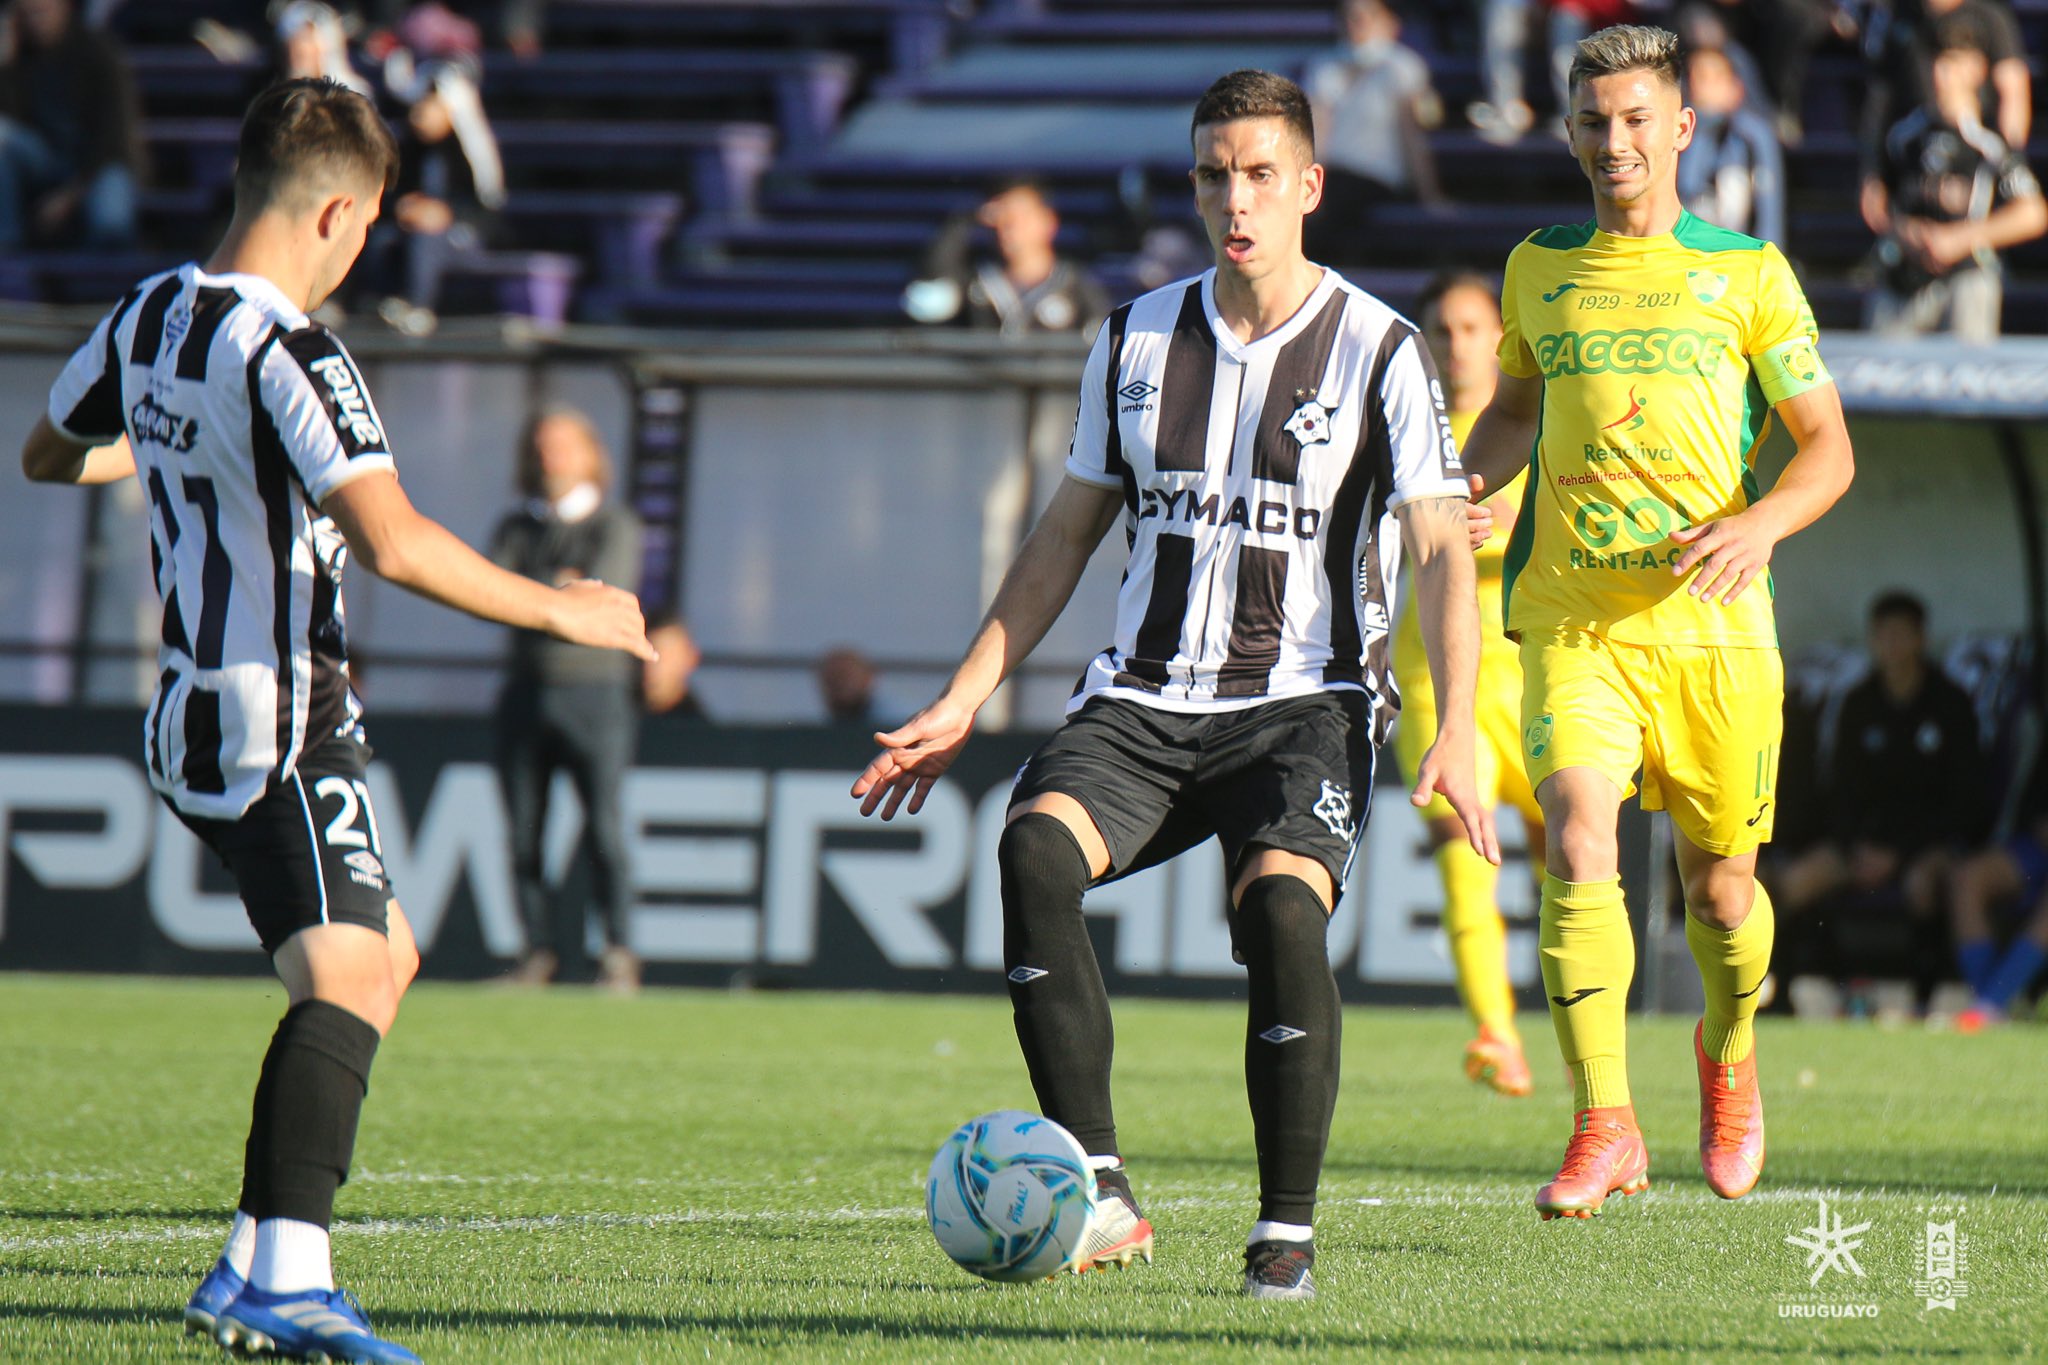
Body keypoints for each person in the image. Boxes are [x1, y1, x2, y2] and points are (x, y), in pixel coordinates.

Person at [20, 77, 650, 1362]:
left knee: (387, 957)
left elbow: (46, 453)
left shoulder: (148, 317)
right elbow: (395, 540)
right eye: (366, 231)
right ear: (340, 212)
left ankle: (249, 1261)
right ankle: (287, 1282)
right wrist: (563, 609)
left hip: (191, 714)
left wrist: (175, 444)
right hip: (280, 719)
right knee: (349, 978)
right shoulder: (290, 348)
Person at [854, 68, 1496, 1300]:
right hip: (1145, 698)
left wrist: (1457, 725)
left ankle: (1285, 1237)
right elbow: (1061, 537)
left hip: (1305, 701)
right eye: (1213, 174)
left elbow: (1433, 550)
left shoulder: (1382, 349)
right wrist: (963, 695)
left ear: (1307, 186)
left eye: (1258, 174)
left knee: (1278, 914)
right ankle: (1097, 1191)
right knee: (1032, 851)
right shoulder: (1134, 335)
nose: (1233, 199)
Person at [1459, 24, 1854, 1220]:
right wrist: (1464, 483)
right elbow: (1512, 416)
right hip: (1577, 619)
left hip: (1714, 629)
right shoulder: (1536, 267)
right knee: (1576, 836)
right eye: (1591, 120)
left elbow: (1827, 449)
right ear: (1568, 131)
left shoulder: (1748, 273)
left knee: (1720, 894)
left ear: (1680, 127)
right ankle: (1603, 1125)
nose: (1611, 141)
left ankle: (1728, 1061)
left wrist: (1759, 526)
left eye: (1635, 118)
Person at [1394, 270, 1546, 1097]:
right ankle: (1495, 1030)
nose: (1455, 345)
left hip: (1529, 670)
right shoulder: (1406, 431)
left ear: (1500, 336)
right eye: (1440, 330)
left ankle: (1579, 1032)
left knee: (1571, 863)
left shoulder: (1533, 427)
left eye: (1470, 327)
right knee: (1463, 860)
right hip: (1432, 680)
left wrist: (1513, 527)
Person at [492, 406, 646, 994]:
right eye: (543, 447)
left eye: (563, 446)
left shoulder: (614, 524)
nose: (552, 458)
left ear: (589, 454)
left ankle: (618, 951)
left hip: (596, 692)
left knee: (604, 828)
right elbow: (489, 589)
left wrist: (530, 595)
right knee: (524, 830)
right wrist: (557, 588)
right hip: (526, 691)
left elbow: (600, 595)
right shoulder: (517, 527)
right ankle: (537, 952)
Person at [1772, 591, 1985, 992]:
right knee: (1794, 882)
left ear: (1921, 640)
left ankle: (1926, 995)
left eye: (1902, 635)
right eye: (1883, 635)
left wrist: (1900, 852)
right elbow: (1840, 789)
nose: (1892, 645)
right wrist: (1856, 846)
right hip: (1862, 845)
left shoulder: (1950, 704)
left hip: (1926, 845)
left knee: (1923, 884)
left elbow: (1964, 800)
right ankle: (1795, 993)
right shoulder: (1859, 703)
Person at [1861, 21, 2046, 343]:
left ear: (1976, 69)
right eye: (1938, 61)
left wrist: (1960, 239)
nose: (1940, 73)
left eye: (1953, 63)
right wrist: (1905, 230)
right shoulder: (1902, 136)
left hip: (1965, 271)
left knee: (1975, 290)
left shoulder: (1990, 143)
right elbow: (1875, 204)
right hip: (1907, 270)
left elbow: (2033, 213)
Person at [1301, 0, 1444, 265]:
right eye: (1350, 16)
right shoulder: (1324, 66)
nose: (1357, 23)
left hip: (1377, 178)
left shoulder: (1403, 66)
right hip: (1338, 179)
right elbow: (1318, 132)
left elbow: (1410, 134)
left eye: (1366, 15)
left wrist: (1428, 193)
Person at [376, 56, 505, 334]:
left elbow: (488, 209)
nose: (420, 113)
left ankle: (419, 307)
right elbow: (388, 194)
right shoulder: (407, 147)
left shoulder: (470, 151)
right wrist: (402, 207)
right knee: (380, 239)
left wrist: (447, 215)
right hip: (407, 229)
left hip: (459, 236)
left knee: (427, 238)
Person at [0, 0, 141, 251]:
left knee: (111, 212)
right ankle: (7, 252)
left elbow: (112, 140)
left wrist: (69, 197)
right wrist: (6, 67)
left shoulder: (99, 51)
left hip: (98, 166)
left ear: (64, 7)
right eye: (28, 15)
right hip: (48, 163)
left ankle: (105, 279)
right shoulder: (21, 56)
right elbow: (13, 122)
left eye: (41, 13)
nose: (36, 22)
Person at [901, 178, 1109, 336]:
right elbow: (932, 290)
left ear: (1047, 221)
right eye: (1003, 217)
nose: (1010, 226)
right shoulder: (977, 283)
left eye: (1020, 216)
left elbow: (1100, 338)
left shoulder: (1074, 283)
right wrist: (964, 221)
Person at [1678, 44, 1785, 246]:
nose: (1700, 86)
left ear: (1735, 87)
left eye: (1712, 78)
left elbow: (1769, 207)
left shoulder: (1753, 136)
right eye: (1695, 77)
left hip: (1737, 255)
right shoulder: (1676, 134)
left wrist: (1768, 257)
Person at [818, 645, 883, 725]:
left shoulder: (893, 727)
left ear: (867, 677)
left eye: (845, 675)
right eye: (832, 677)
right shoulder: (820, 723)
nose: (839, 684)